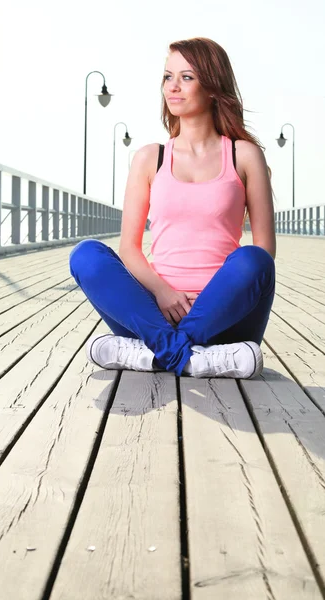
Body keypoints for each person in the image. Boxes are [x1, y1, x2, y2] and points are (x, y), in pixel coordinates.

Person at [69, 37, 276, 379]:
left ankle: (153, 353)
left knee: (255, 261)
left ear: (212, 86)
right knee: (86, 255)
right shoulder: (150, 158)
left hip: (225, 318)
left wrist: (212, 304)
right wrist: (163, 293)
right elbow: (129, 249)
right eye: (168, 77)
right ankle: (188, 357)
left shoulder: (244, 155)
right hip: (154, 313)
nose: (172, 87)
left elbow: (265, 249)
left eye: (186, 77)